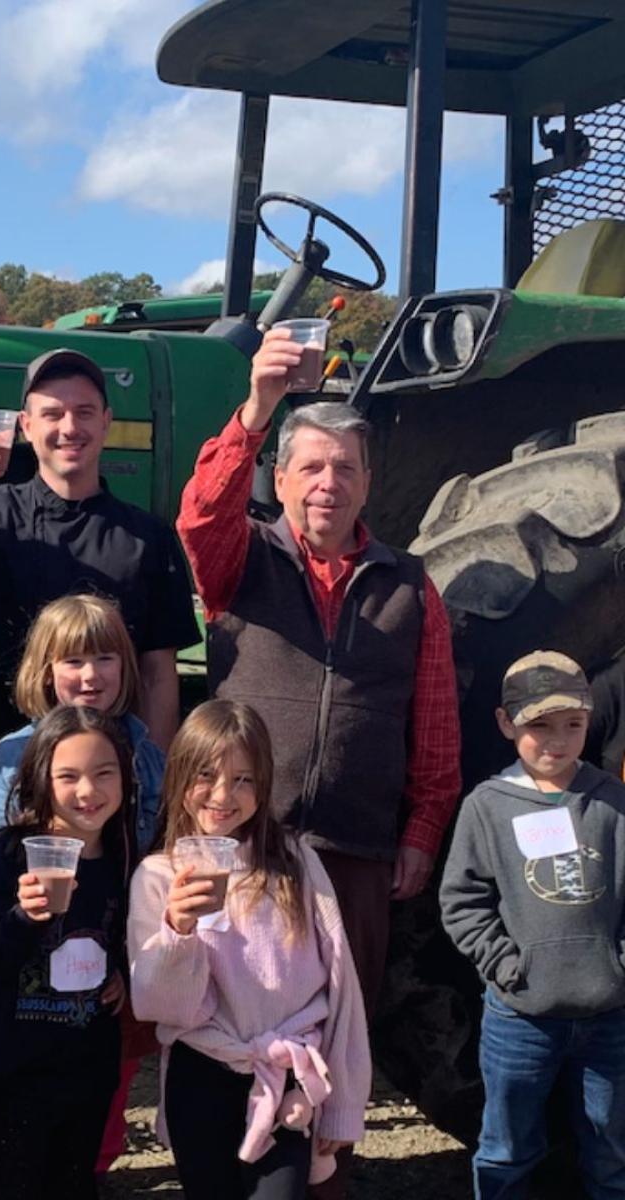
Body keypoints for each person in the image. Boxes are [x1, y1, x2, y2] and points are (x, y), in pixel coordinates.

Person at [176, 333, 462, 1001]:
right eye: (310, 468)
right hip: (243, 839)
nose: (327, 484)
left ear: (367, 484)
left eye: (344, 469)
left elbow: (435, 725)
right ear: (279, 480)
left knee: (336, 1031)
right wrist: (258, 406)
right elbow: (199, 516)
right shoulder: (240, 558)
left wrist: (421, 831)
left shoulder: (410, 586)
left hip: (354, 854)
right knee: (230, 1018)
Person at [128, 700, 370, 1200]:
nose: (223, 795)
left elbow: (342, 984)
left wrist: (344, 1104)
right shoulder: (158, 876)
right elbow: (162, 1008)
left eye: (243, 780)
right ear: (178, 778)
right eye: (207, 774)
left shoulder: (296, 863)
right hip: (201, 1074)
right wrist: (179, 930)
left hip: (285, 1075)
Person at [0, 347, 199, 748]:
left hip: (110, 769)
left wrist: (154, 775)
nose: (69, 427)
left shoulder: (148, 535)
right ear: (26, 426)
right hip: (9, 755)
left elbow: (158, 673)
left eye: (84, 412)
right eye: (52, 414)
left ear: (106, 423)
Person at [440, 651, 625, 1199]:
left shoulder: (614, 803)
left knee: (611, 1148)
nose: (558, 741)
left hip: (609, 1017)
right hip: (520, 1020)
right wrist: (505, 964)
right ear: (506, 723)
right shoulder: (488, 807)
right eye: (539, 725)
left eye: (573, 724)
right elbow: (462, 900)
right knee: (506, 1148)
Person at [0, 705, 134, 1200]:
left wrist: (121, 976)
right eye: (68, 776)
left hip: (86, 1068)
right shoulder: (12, 852)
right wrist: (22, 918)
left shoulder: (121, 856)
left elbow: (115, 937)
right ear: (40, 778)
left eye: (103, 773)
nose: (88, 791)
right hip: (13, 1073)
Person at [0, 593, 165, 924]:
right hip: (36, 948)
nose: (90, 676)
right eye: (73, 661)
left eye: (105, 658)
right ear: (47, 671)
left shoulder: (145, 755)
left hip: (124, 944)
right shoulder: (13, 757)